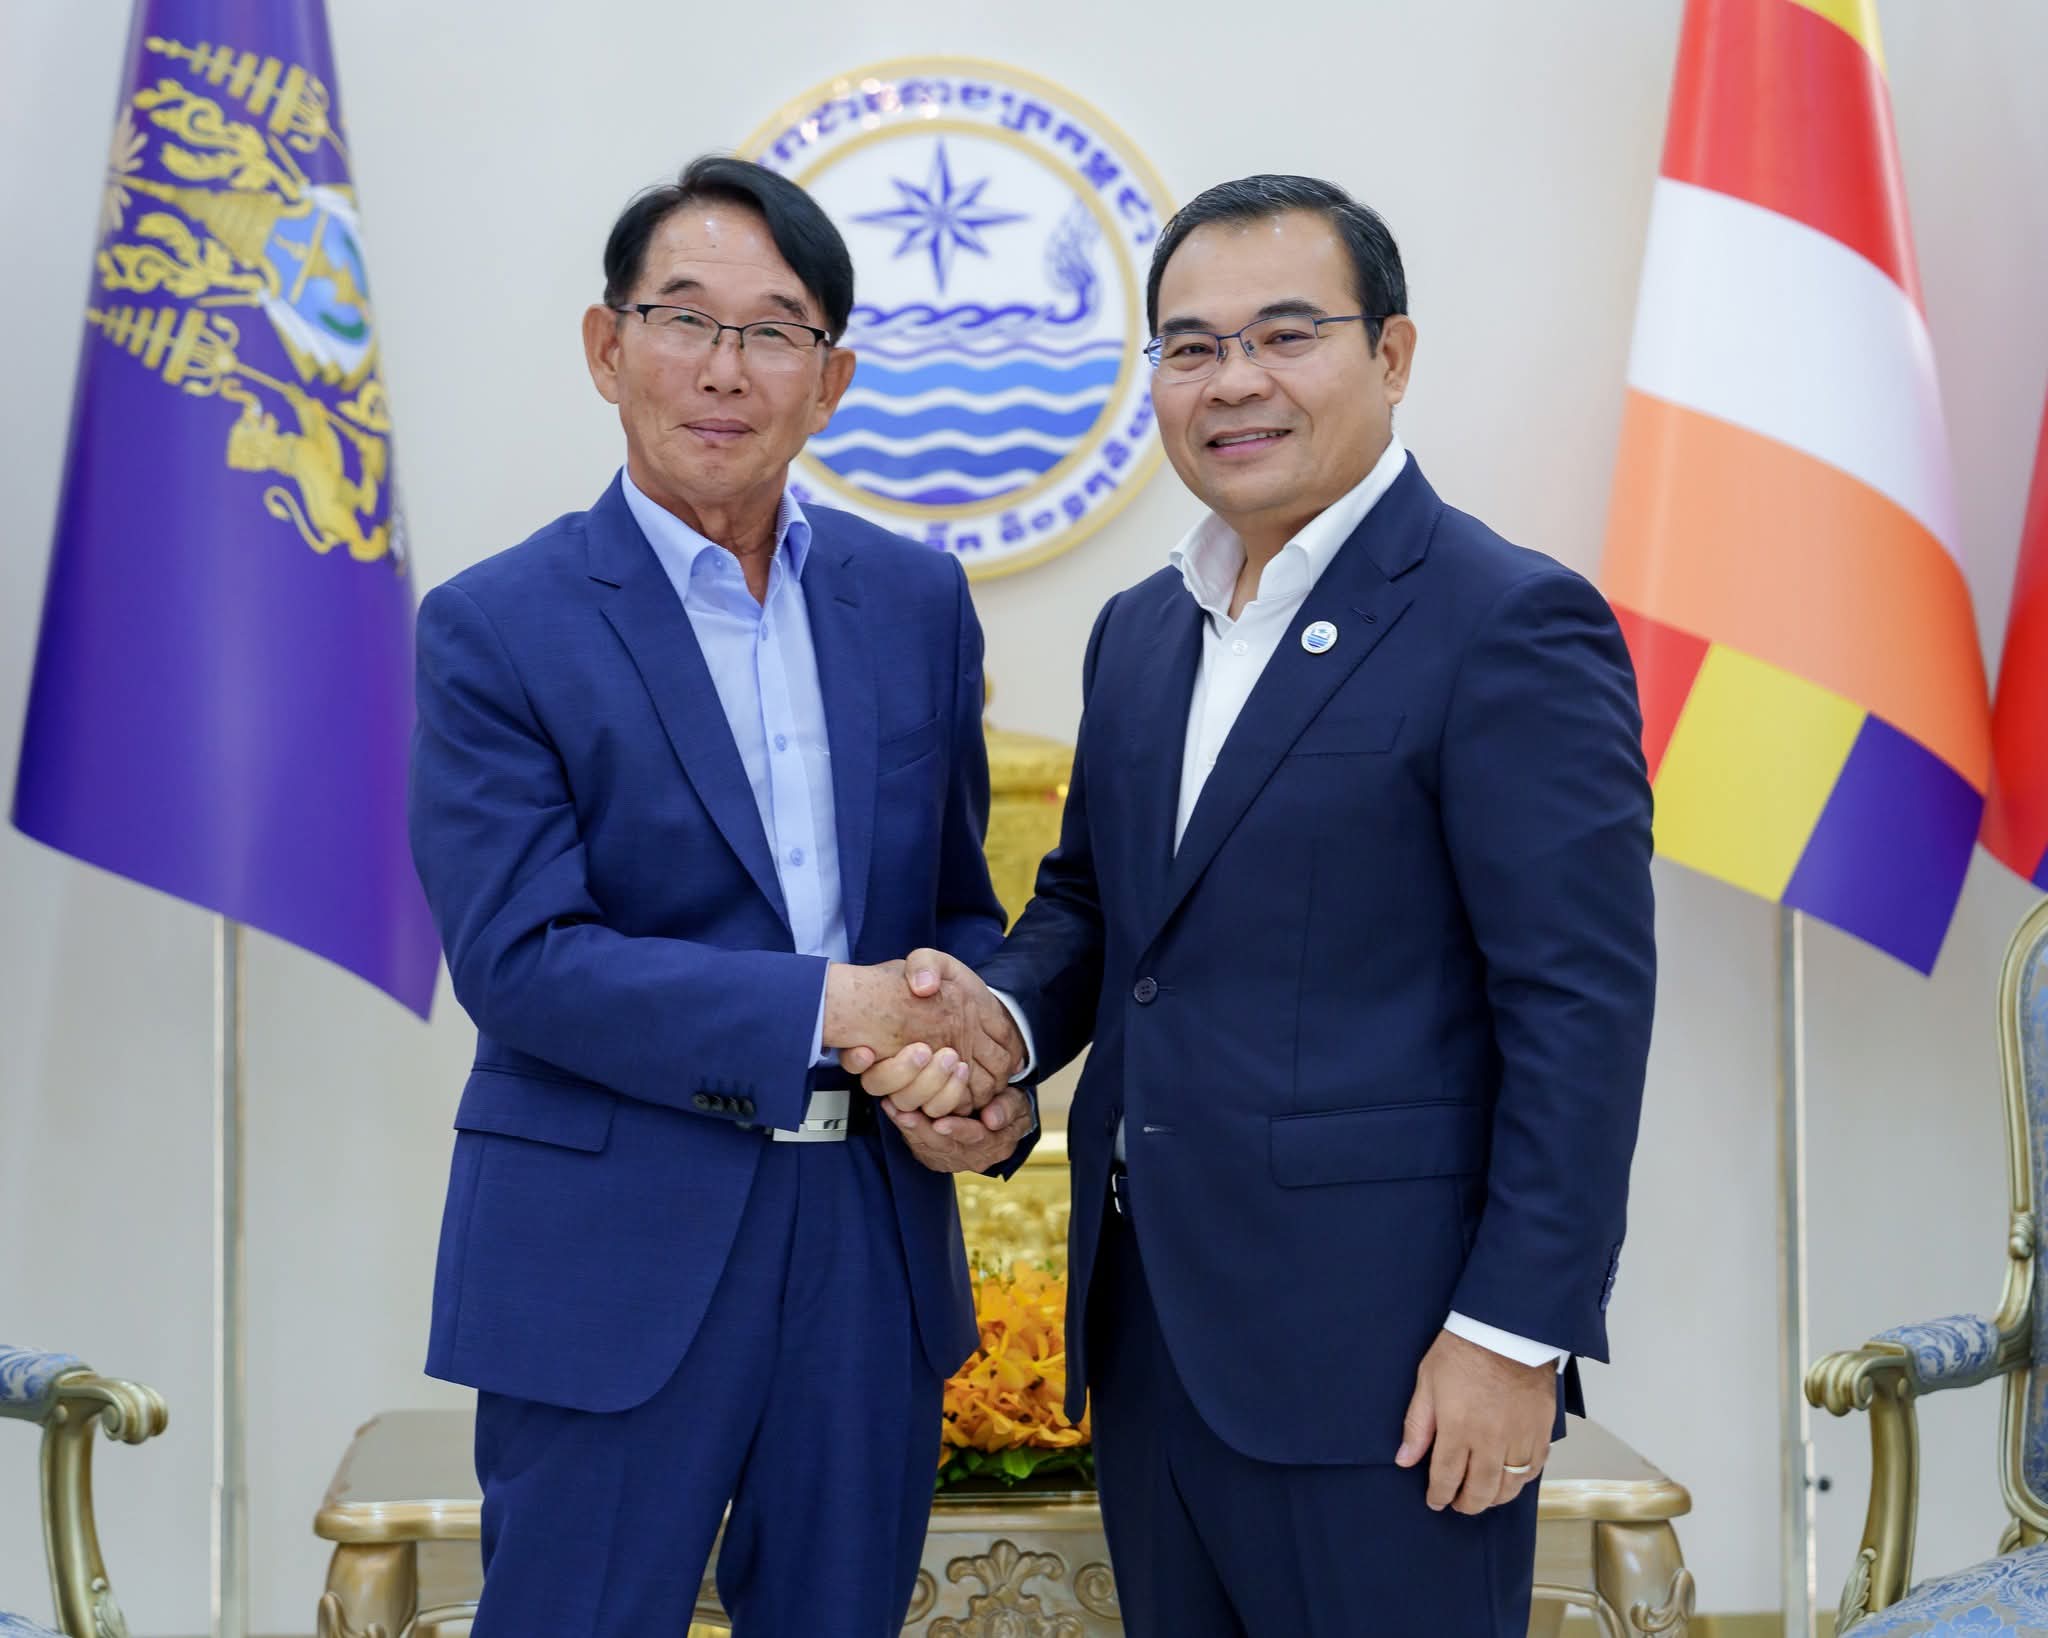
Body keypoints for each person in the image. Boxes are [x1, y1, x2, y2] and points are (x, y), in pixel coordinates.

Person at [851, 174, 1657, 1635]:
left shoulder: (1507, 621)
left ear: (1392, 355)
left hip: (1392, 1366)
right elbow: (1097, 908)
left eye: (1286, 335)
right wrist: (996, 1029)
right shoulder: (1143, 632)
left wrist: (1511, 1334)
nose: (1233, 381)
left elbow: (1579, 1008)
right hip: (1155, 1339)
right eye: (1190, 346)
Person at [407, 154, 1028, 1637]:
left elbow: (956, 907)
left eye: (774, 331)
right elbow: (524, 959)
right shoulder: (495, 626)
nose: (724, 367)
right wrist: (837, 1006)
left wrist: (976, 1068)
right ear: (606, 347)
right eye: (684, 318)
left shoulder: (915, 602)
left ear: (833, 379)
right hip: (609, 1245)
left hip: (868, 1239)